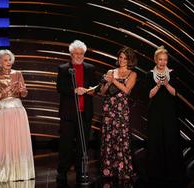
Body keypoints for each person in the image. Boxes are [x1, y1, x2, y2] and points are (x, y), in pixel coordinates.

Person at [0, 49, 35, 182]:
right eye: (5, 60)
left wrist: (22, 90)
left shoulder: (18, 74)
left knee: (18, 140)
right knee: (6, 141)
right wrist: (7, 90)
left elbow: (24, 93)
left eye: (10, 59)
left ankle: (21, 171)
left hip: (17, 110)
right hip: (3, 112)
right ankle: (5, 170)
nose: (8, 62)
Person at [56, 40, 96, 187]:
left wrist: (92, 90)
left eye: (81, 54)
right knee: (66, 145)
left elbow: (94, 87)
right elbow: (60, 87)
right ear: (71, 54)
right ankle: (62, 172)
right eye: (76, 53)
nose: (79, 56)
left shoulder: (90, 68)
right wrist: (74, 90)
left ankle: (81, 173)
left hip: (85, 113)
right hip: (68, 114)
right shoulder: (63, 68)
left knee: (82, 145)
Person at [146, 46, 183, 186]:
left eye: (165, 60)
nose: (162, 62)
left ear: (167, 61)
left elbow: (175, 93)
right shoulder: (149, 74)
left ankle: (172, 173)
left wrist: (166, 84)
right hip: (155, 112)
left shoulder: (172, 74)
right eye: (160, 59)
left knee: (170, 140)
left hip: (169, 112)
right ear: (156, 60)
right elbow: (149, 95)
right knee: (156, 141)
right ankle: (156, 174)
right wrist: (157, 85)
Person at [99, 47, 137, 182]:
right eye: (120, 57)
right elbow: (102, 92)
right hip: (109, 109)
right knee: (109, 137)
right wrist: (108, 82)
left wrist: (114, 81)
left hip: (121, 111)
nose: (122, 60)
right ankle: (108, 169)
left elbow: (126, 90)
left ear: (129, 60)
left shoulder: (132, 74)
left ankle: (123, 169)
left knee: (121, 138)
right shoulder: (111, 71)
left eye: (125, 58)